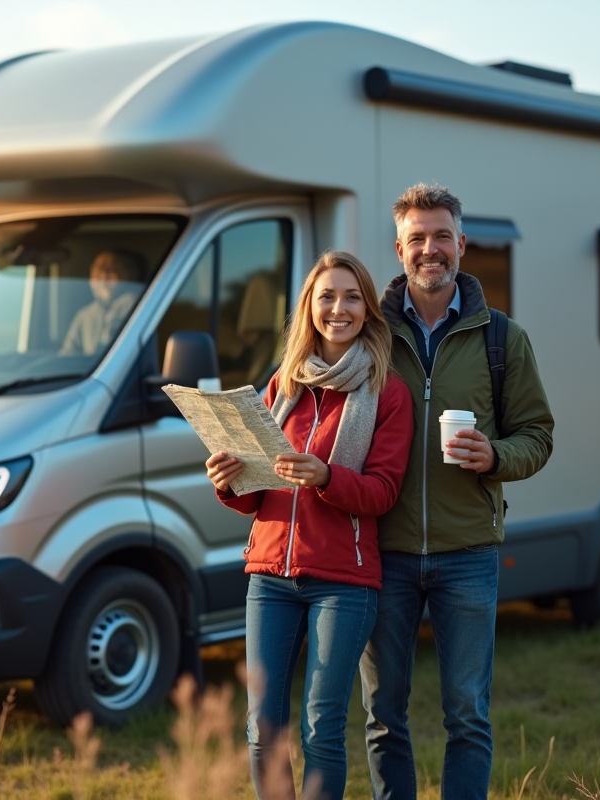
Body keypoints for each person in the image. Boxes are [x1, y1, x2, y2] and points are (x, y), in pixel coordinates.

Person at [360, 183, 555, 800]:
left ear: (462, 244)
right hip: (382, 551)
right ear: (399, 249)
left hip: (468, 553)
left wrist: (496, 455)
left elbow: (539, 435)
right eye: (417, 238)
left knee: (467, 716)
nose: (430, 249)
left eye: (441, 235)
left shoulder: (503, 339)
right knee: (383, 716)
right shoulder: (369, 338)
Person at [205, 251, 414, 800]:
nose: (338, 309)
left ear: (368, 310)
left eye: (351, 297)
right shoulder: (283, 385)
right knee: (261, 727)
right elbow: (259, 494)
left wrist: (326, 475)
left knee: (322, 728)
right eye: (327, 296)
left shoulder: (388, 392)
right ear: (309, 307)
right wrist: (229, 480)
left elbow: (383, 492)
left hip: (342, 583)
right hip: (269, 576)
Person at [60, 249, 145, 356]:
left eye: (112, 270)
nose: (103, 277)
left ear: (131, 274)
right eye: (98, 270)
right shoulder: (85, 315)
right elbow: (67, 355)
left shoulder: (139, 305)